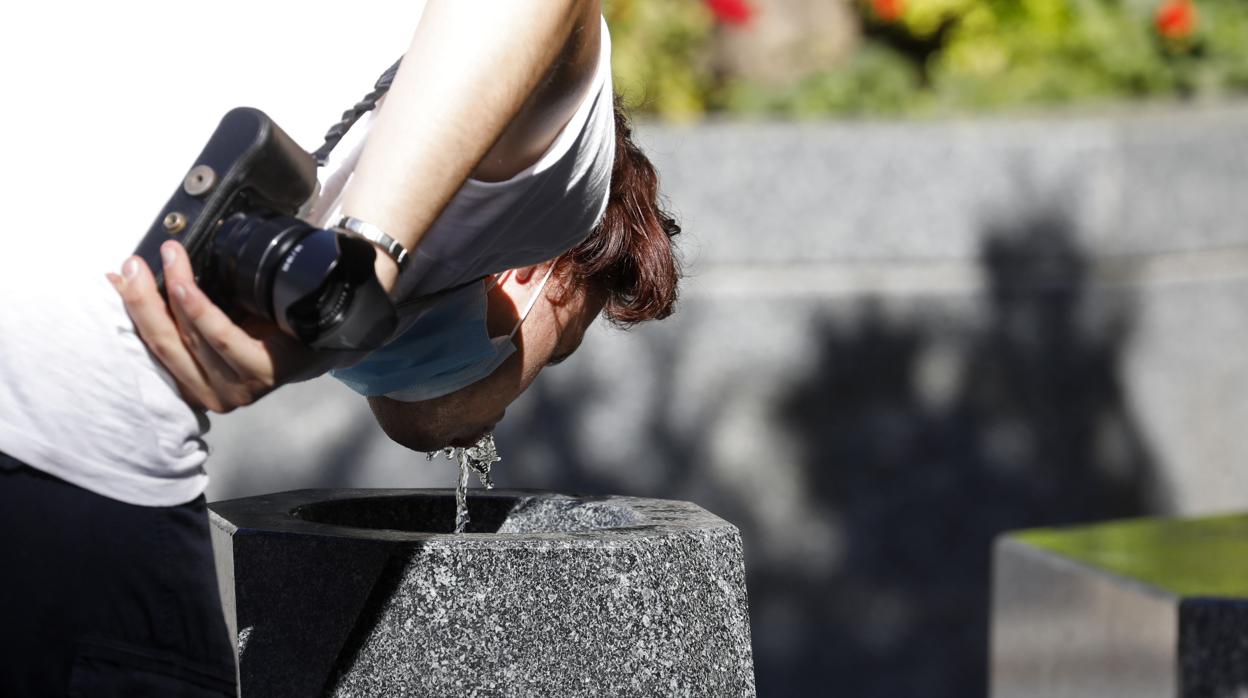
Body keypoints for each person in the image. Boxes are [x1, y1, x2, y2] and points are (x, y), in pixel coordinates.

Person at [0, 1, 679, 695]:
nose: (502, 412)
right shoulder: (568, 189)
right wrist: (362, 264)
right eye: (556, 352)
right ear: (538, 270)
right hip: (63, 436)